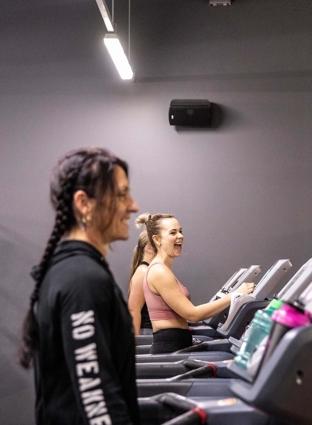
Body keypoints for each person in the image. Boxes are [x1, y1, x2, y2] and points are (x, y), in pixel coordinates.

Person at [18, 147, 140, 425]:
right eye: (122, 195)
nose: (133, 206)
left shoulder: (73, 270)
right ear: (84, 203)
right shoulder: (83, 280)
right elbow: (97, 400)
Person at [138, 212, 255, 354]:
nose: (180, 236)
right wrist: (234, 295)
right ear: (157, 239)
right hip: (170, 347)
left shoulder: (162, 269)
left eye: (180, 231)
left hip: (177, 343)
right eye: (173, 232)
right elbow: (193, 314)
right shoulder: (159, 271)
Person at [128, 229, 155, 335]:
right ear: (149, 247)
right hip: (147, 335)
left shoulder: (152, 270)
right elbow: (134, 310)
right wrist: (136, 341)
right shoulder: (143, 272)